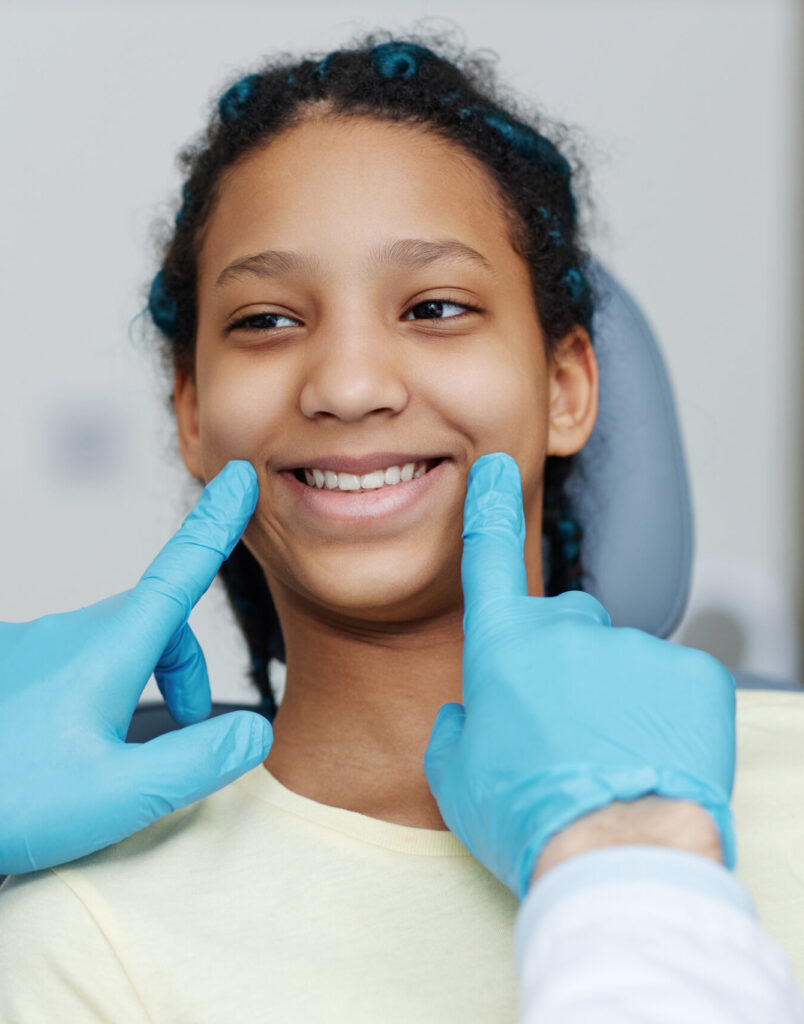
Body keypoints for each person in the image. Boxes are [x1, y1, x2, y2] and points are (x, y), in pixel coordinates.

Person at [1, 26, 802, 1021]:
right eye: (266, 320)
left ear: (566, 387)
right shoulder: (81, 938)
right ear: (194, 415)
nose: (347, 384)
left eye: (432, 306)